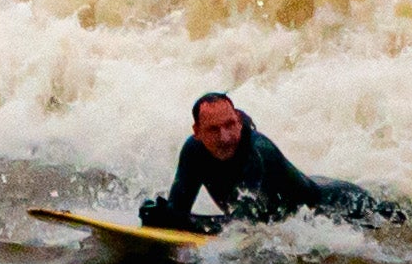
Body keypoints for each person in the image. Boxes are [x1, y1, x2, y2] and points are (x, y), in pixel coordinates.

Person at [141, 90, 393, 231]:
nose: (226, 137)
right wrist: (160, 214)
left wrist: (177, 220)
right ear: (197, 132)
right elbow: (177, 212)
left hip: (343, 206)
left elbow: (244, 227)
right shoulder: (193, 151)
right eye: (214, 130)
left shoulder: (258, 153)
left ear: (239, 122)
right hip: (313, 196)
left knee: (403, 221)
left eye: (230, 126)